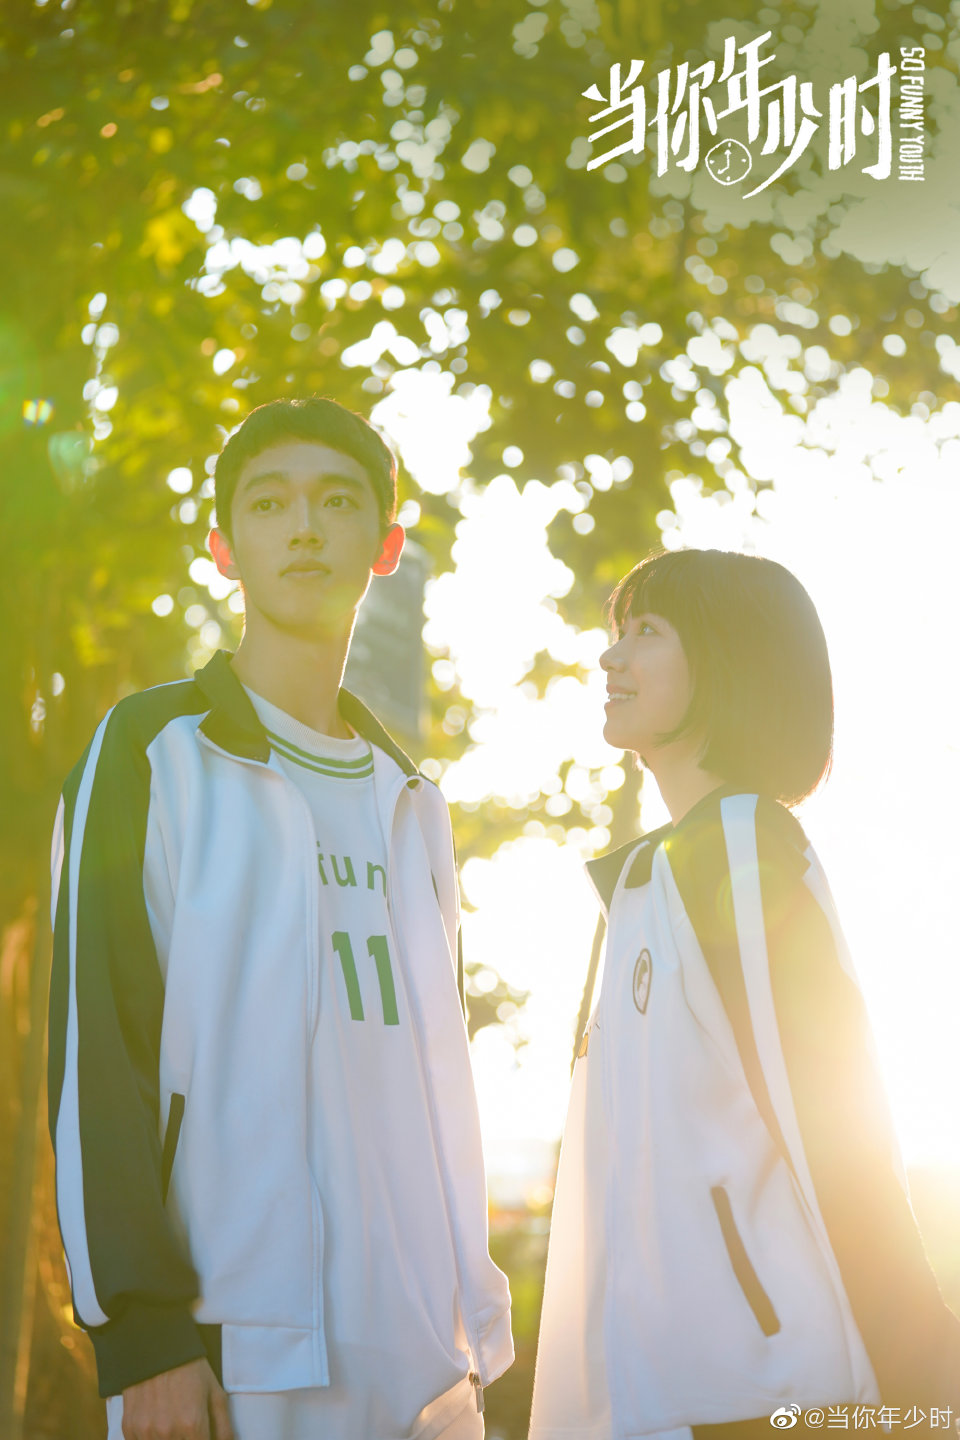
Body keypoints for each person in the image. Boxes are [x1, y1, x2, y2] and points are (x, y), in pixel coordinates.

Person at [48, 396, 512, 1440]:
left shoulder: (413, 800)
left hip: (429, 1367)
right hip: (238, 1356)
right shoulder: (152, 752)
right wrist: (145, 1339)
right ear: (224, 548)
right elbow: (96, 1060)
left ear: (385, 546)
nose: (304, 526)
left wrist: (471, 1340)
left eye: (337, 502)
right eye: (269, 503)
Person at [528, 548, 960, 1440]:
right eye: (617, 631)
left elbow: (834, 1126)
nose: (612, 656)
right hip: (660, 1402)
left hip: (769, 1399)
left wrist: (930, 1380)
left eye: (647, 631)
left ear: (728, 662)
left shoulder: (738, 848)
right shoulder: (648, 878)